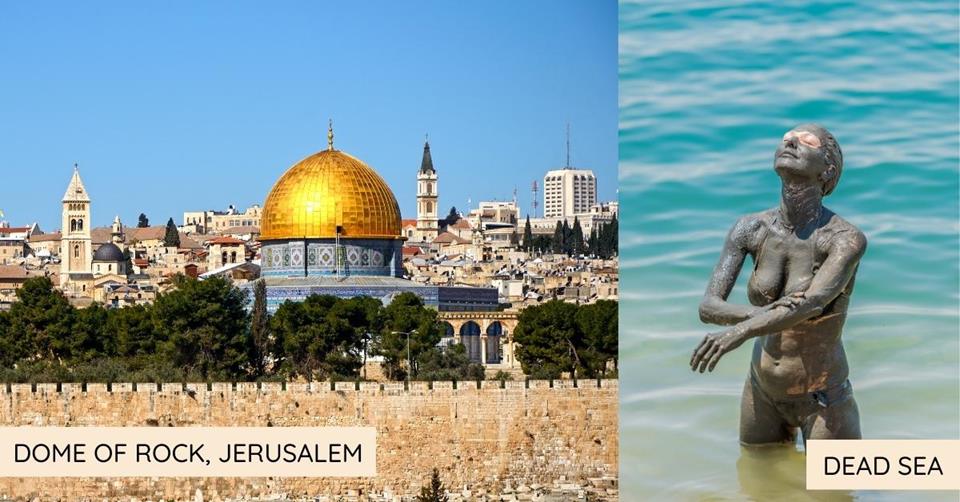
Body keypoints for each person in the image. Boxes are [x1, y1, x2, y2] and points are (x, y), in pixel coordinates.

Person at [691, 124, 866, 445]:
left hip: (823, 397)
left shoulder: (844, 239)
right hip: (761, 391)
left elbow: (812, 304)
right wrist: (772, 314)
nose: (790, 141)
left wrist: (740, 331)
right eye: (786, 139)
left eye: (806, 141)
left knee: (835, 495)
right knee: (758, 485)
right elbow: (708, 306)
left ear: (827, 169)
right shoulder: (749, 228)